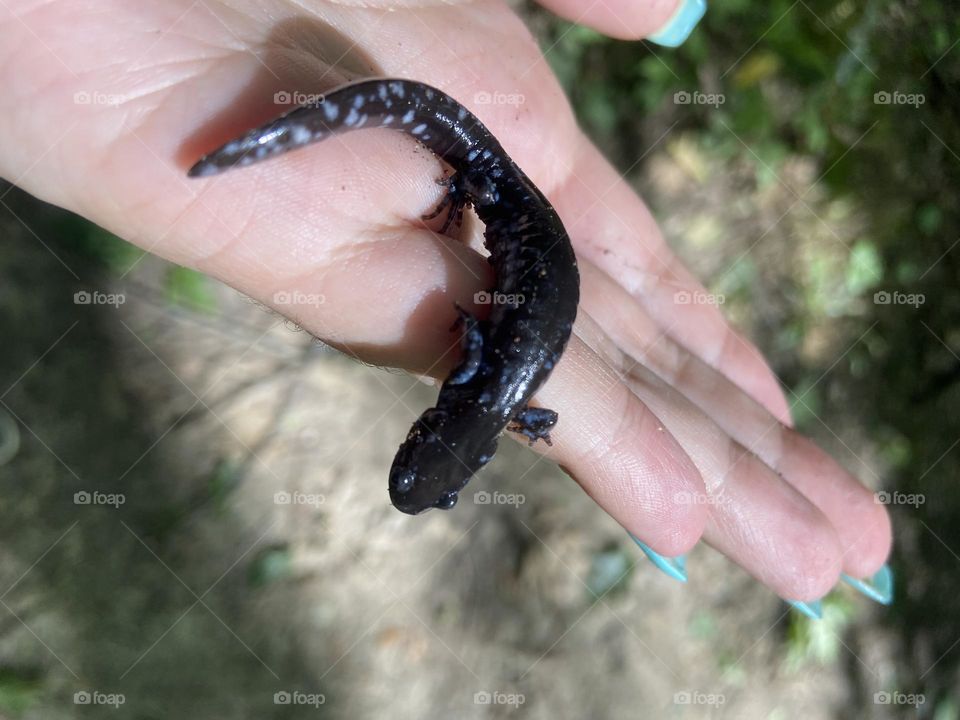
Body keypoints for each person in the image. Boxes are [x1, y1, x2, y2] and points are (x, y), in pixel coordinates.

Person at [0, 0, 891, 611]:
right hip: (510, 207)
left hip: (516, 217)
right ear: (432, 436)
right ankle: (421, 172)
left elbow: (521, 398)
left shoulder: (512, 405)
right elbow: (472, 342)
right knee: (460, 182)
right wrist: (464, 221)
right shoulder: (469, 380)